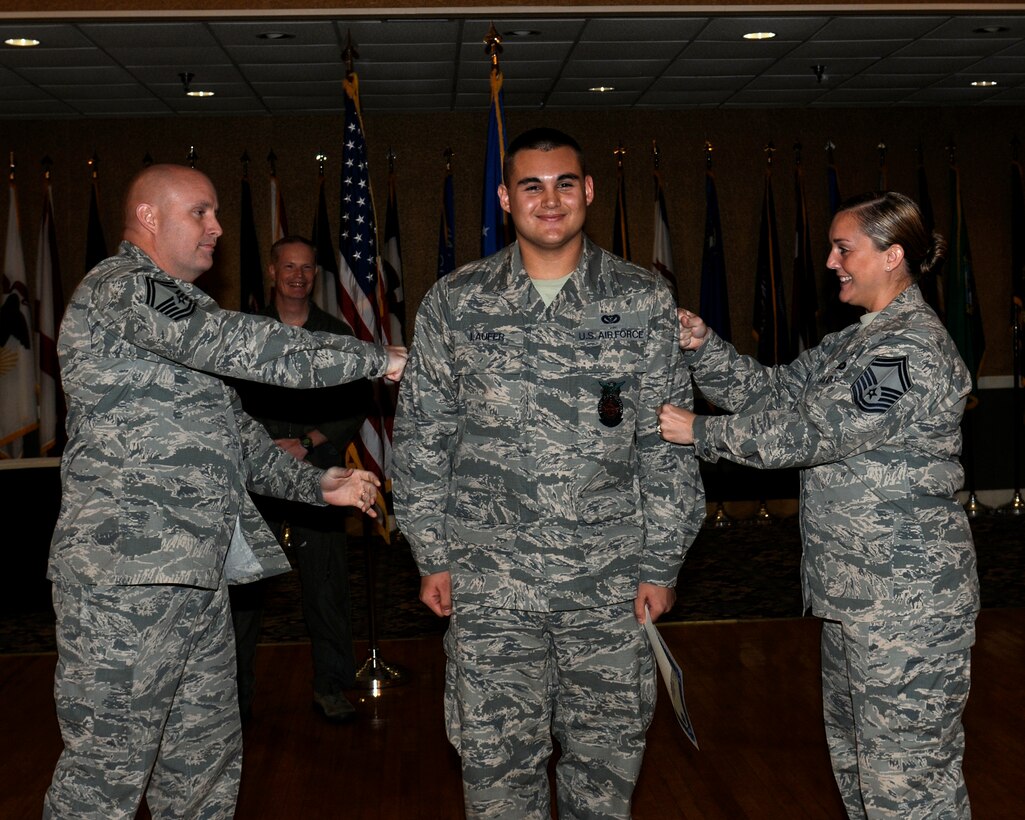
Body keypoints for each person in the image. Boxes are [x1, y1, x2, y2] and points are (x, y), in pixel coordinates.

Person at [44, 164, 406, 819]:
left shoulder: (186, 315)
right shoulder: (125, 288)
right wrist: (376, 359)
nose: (217, 228)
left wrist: (317, 483)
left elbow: (235, 437)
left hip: (196, 577)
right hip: (127, 581)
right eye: (200, 213)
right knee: (105, 779)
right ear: (149, 217)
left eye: (216, 214)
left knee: (202, 770)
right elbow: (245, 344)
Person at [392, 128, 705, 819]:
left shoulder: (641, 299)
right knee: (497, 773)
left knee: (605, 770)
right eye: (531, 186)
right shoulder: (456, 301)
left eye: (564, 182)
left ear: (588, 191)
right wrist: (431, 553)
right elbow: (420, 437)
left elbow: (667, 444)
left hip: (609, 583)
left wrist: (661, 564)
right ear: (506, 199)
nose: (550, 199)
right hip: (489, 586)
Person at [658, 191, 979, 819]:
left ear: (891, 257)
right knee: (861, 774)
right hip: (853, 599)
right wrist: (701, 347)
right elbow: (769, 392)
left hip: (906, 610)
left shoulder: (907, 351)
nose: (831, 260)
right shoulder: (856, 342)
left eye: (843, 248)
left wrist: (700, 432)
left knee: (911, 790)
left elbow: (813, 433)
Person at [230, 235, 369, 724]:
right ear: (272, 271)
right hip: (255, 478)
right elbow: (229, 403)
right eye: (289, 267)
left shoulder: (335, 335)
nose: (298, 276)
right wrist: (266, 448)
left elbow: (356, 402)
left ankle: (331, 687)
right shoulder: (244, 333)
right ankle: (236, 701)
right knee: (244, 591)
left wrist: (308, 442)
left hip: (319, 475)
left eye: (307, 268)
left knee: (327, 586)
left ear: (315, 275)